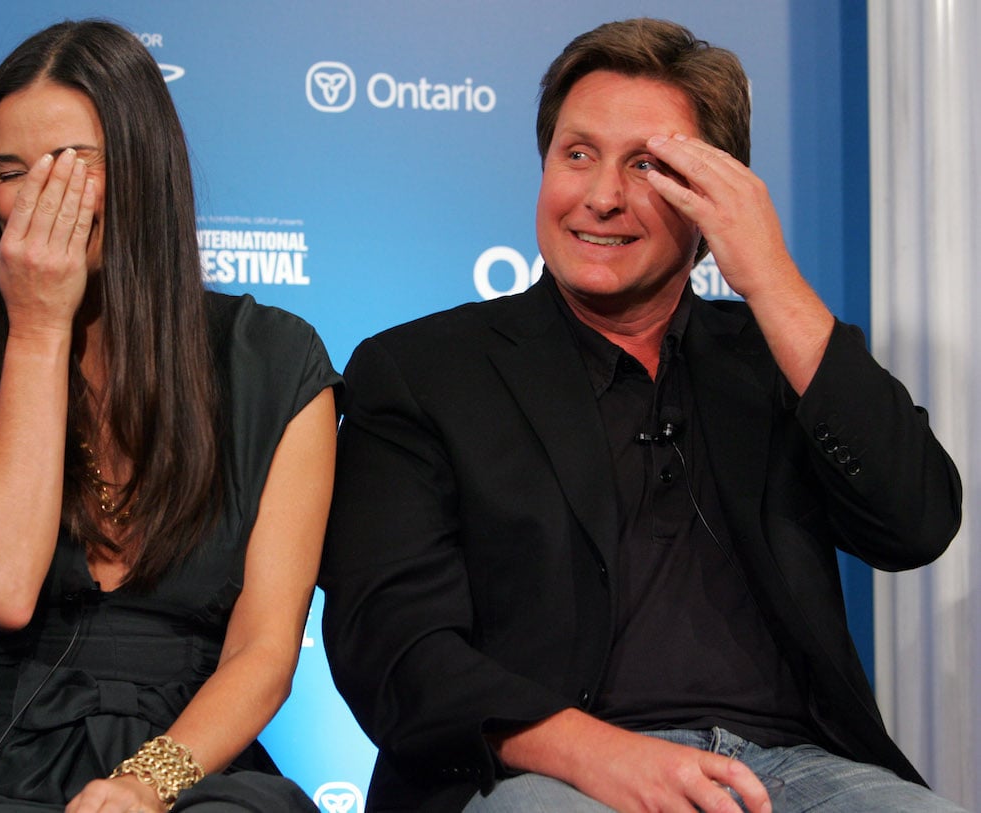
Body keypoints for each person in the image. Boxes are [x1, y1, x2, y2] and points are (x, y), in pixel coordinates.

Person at [319, 18, 963, 813]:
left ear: (712, 195)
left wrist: (769, 279)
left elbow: (917, 522)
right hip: (549, 774)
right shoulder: (422, 372)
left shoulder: (777, 355)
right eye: (577, 154)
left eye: (648, 166)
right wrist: (599, 755)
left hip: (794, 772)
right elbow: (391, 644)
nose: (602, 196)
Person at [0, 20, 338, 813]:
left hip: (191, 761)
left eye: (65, 168)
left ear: (142, 167)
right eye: (9, 173)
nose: (33, 201)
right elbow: (2, 586)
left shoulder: (278, 363)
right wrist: (37, 327)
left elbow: (264, 652)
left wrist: (144, 783)